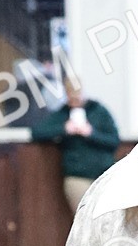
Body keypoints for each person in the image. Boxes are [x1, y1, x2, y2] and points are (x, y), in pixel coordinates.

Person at [30, 80, 120, 212]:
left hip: (104, 175)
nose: (75, 100)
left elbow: (113, 140)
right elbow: (36, 133)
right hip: (77, 176)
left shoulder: (99, 111)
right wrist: (64, 129)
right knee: (84, 217)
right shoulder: (62, 114)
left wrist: (91, 133)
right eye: (71, 97)